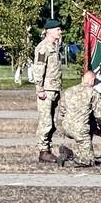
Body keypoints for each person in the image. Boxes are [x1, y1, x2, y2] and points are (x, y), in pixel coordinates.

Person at [56, 70, 101, 167]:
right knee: (89, 161)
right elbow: (100, 115)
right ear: (93, 81)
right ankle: (69, 155)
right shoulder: (93, 93)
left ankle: (71, 152)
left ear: (82, 79)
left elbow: (62, 110)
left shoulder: (69, 91)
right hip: (80, 130)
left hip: (66, 127)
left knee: (86, 152)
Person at [31, 19, 64, 162]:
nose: (60, 31)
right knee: (46, 122)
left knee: (53, 122)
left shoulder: (54, 47)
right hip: (46, 89)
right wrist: (40, 89)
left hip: (54, 88)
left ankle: (48, 149)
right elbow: (38, 69)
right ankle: (43, 150)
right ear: (49, 31)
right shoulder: (43, 47)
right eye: (58, 29)